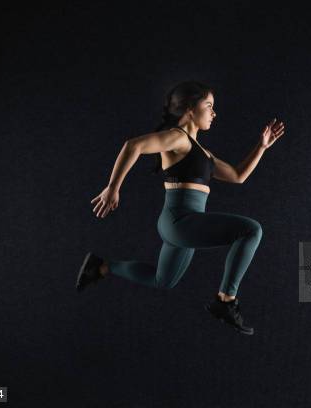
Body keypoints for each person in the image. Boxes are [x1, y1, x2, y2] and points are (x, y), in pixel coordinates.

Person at [76, 81, 285, 335]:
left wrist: (261, 147)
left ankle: (101, 266)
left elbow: (238, 176)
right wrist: (113, 187)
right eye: (209, 106)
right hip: (180, 221)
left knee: (163, 281)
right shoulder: (179, 138)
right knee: (251, 230)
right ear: (190, 109)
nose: (214, 113)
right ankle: (225, 301)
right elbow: (134, 145)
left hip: (185, 225)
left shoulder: (204, 153)